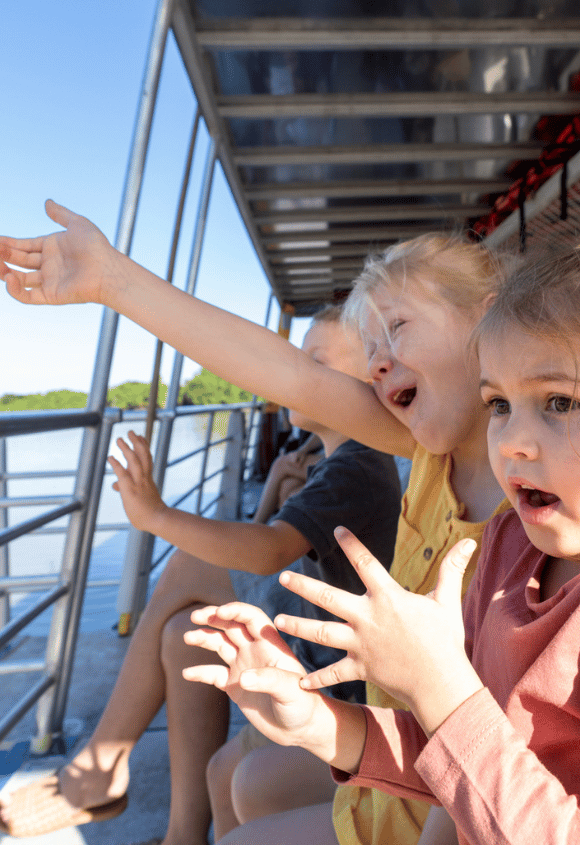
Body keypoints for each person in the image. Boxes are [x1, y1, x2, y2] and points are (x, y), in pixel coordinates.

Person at [185, 244, 580, 845]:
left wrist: (439, 688)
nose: (512, 440)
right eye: (499, 405)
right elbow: (462, 761)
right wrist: (320, 723)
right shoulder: (510, 547)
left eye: (560, 402)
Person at [0, 201, 510, 845]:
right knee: (243, 783)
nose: (379, 364)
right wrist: (114, 283)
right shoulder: (432, 456)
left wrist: (156, 516)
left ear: (490, 314)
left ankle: (109, 772)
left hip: (451, 791)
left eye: (399, 328)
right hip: (392, 755)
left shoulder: (542, 503)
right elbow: (288, 374)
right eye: (371, 349)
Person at [0, 305, 402, 844]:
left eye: (313, 362)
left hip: (337, 671)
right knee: (182, 634)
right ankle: (181, 835)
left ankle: (101, 765)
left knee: (190, 564)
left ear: (365, 380)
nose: (288, 374)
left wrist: (157, 516)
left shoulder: (360, 461)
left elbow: (265, 552)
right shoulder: (336, 458)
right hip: (315, 637)